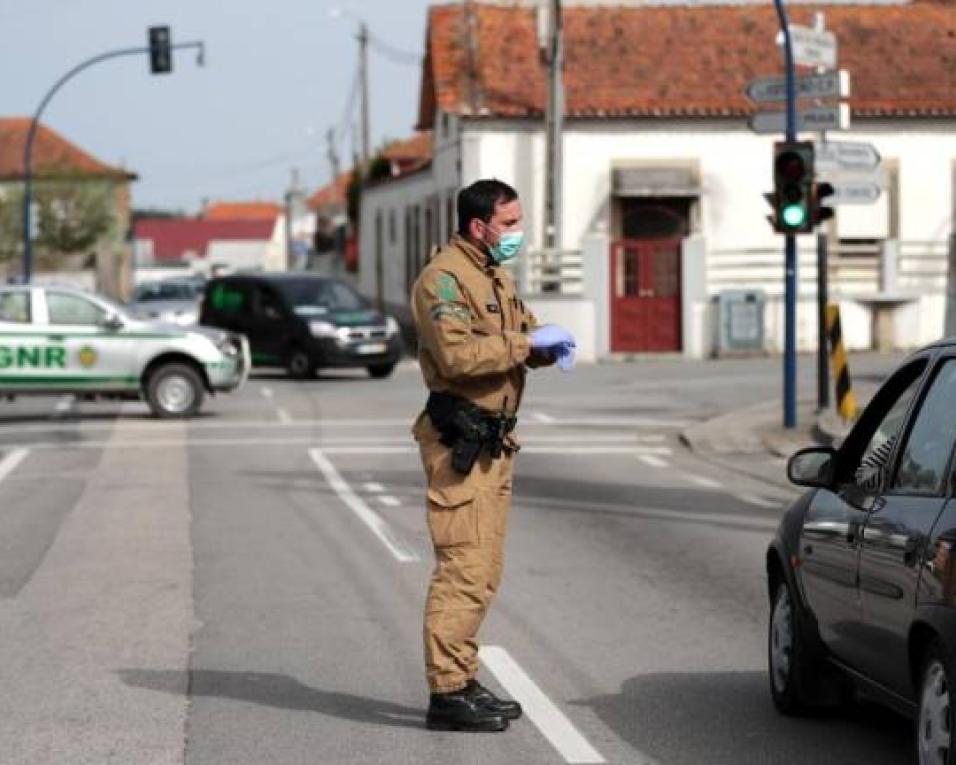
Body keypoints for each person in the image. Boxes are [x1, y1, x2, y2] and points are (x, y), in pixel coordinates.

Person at [410, 178, 575, 732]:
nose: (516, 234)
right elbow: (457, 356)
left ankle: (463, 674)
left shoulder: (492, 275)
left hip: (494, 440)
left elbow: (521, 335)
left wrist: (546, 344)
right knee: (463, 567)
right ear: (479, 227)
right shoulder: (443, 280)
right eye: (509, 224)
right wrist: (526, 345)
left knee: (484, 571)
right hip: (461, 439)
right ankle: (448, 692)